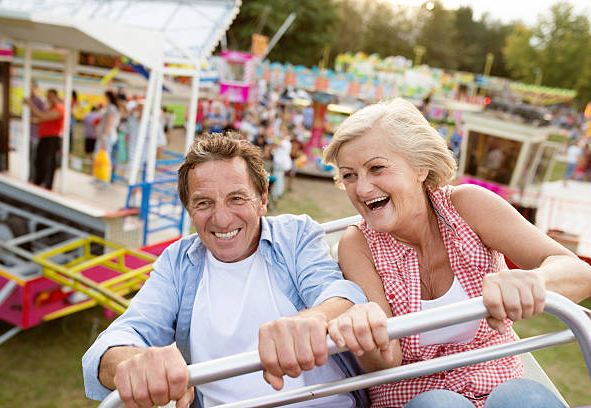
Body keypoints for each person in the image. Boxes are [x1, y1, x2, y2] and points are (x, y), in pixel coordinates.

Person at [322, 98, 591, 408]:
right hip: (414, 395)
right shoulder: (357, 244)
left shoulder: (467, 206)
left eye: (377, 168)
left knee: (523, 398)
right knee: (438, 404)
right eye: (349, 175)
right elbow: (388, 361)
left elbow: (579, 273)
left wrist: (534, 281)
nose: (363, 189)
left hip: (496, 383)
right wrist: (363, 333)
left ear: (420, 167)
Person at [82, 133, 369, 408]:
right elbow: (118, 339)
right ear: (189, 209)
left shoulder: (293, 236)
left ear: (263, 200)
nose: (221, 218)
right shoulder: (178, 263)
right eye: (204, 203)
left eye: (236, 199)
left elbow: (340, 295)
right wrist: (131, 362)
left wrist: (315, 318)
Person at [24, 88, 64, 190]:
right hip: (44, 139)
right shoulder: (51, 109)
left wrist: (30, 104)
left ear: (55, 96)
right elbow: (41, 119)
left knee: (47, 164)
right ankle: (38, 182)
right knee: (39, 162)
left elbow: (43, 116)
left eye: (50, 96)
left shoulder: (59, 109)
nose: (48, 99)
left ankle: (46, 186)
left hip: (52, 140)